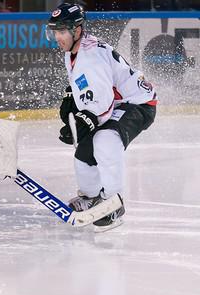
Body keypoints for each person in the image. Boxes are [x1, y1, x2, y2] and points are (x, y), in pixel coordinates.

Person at [46, 3, 157, 232]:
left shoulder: (91, 56)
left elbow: (103, 106)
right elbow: (87, 85)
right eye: (55, 31)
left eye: (62, 31)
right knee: (83, 153)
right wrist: (72, 95)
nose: (57, 37)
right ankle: (92, 196)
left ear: (77, 30)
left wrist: (86, 120)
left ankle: (114, 203)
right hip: (116, 102)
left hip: (138, 103)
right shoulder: (74, 50)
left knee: (105, 140)